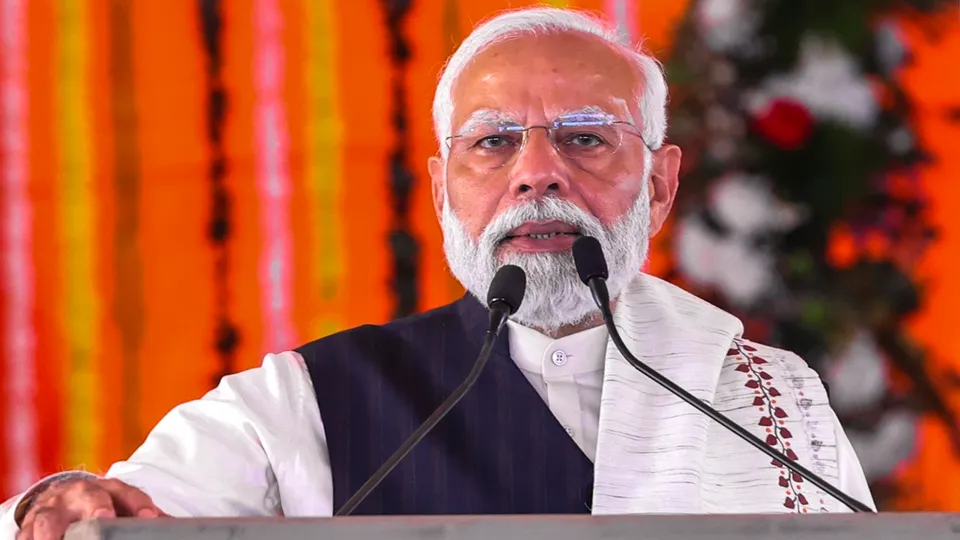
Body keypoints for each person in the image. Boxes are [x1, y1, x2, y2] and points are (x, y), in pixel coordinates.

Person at [2, 6, 875, 539]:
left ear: (658, 182)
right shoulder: (312, 400)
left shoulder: (769, 398)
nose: (538, 173)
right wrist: (66, 505)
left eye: (585, 137)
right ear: (439, 189)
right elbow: (105, 513)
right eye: (493, 142)